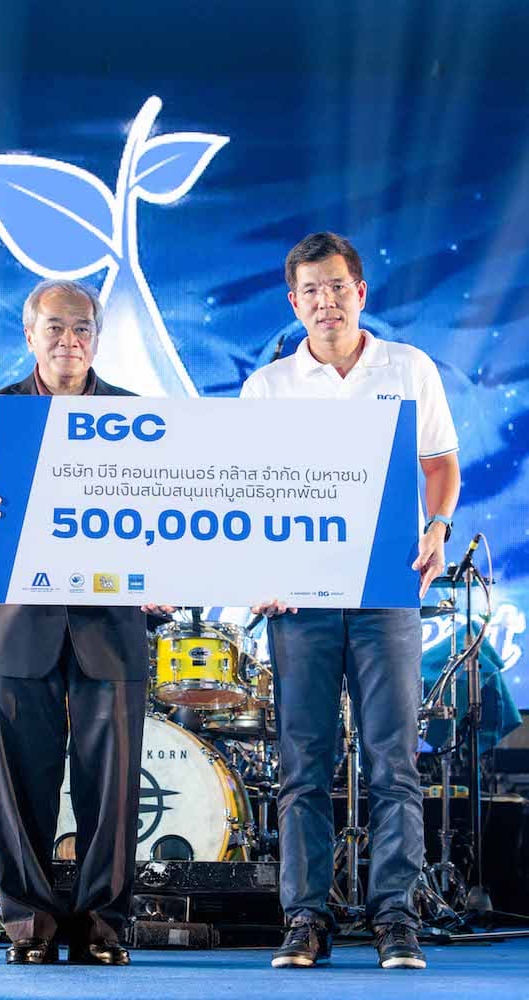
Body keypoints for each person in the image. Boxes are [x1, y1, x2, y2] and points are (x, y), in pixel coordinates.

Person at [241, 232, 460, 970]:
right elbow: (247, 491)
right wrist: (257, 570)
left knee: (392, 761)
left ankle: (395, 916)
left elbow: (440, 464)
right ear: (293, 302)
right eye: (310, 290)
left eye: (337, 287)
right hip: (297, 599)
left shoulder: (408, 368)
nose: (325, 301)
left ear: (359, 293)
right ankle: (306, 918)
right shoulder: (268, 387)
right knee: (302, 764)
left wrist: (436, 528)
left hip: (385, 589)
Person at [0, 279, 149, 966]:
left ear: (97, 338)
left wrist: (169, 573)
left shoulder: (136, 417)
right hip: (21, 625)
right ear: (30, 335)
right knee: (17, 786)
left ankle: (102, 925)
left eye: (81, 327)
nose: (68, 340)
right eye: (54, 327)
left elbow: (162, 514)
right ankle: (29, 922)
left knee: (112, 790)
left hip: (110, 627)